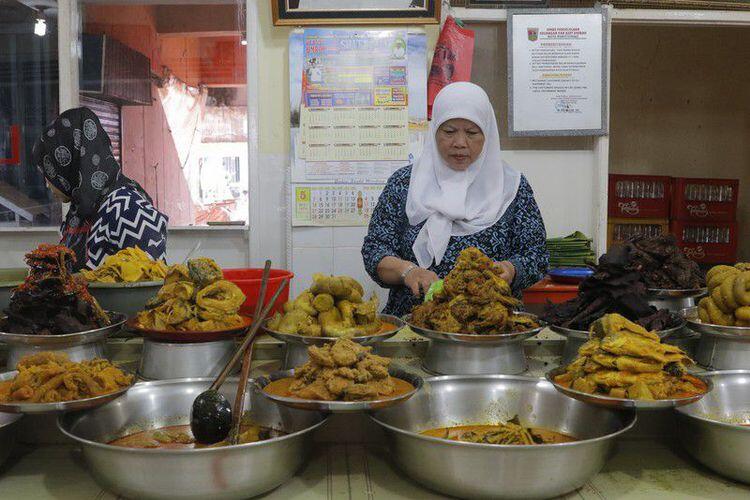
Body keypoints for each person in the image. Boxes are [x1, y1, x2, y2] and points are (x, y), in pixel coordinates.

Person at [362, 82, 548, 317]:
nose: (460, 142)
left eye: (472, 132)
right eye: (449, 131)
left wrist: (510, 269)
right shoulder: (404, 184)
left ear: (487, 134)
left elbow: (537, 255)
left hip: (491, 325)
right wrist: (408, 271)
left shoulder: (512, 188)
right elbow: (374, 250)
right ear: (434, 131)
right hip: (414, 325)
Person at [32, 107, 168, 272]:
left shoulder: (128, 209)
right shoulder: (81, 211)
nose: (47, 183)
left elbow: (150, 283)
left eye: (50, 172)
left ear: (69, 164)